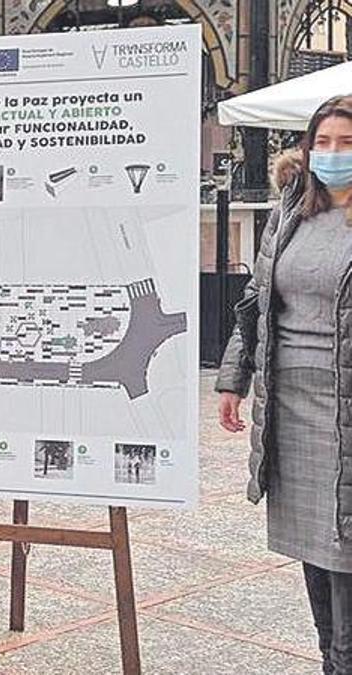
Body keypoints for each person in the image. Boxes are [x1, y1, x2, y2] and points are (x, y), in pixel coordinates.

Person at [217, 95, 352, 675]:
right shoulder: (292, 209)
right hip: (292, 412)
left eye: (346, 142)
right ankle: (331, 657)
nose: (332, 154)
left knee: (345, 551)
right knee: (318, 557)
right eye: (321, 142)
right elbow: (256, 302)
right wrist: (232, 378)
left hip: (344, 408)